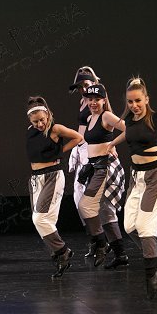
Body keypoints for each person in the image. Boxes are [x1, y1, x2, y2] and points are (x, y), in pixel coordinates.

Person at [108, 77, 157, 299]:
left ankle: (151, 273)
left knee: (145, 226)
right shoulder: (129, 121)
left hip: (155, 176)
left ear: (146, 99)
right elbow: (128, 133)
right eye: (130, 102)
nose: (134, 105)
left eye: (138, 101)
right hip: (137, 178)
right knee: (129, 226)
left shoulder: (156, 118)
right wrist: (112, 143)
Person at [25, 96, 84, 278]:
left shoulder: (55, 128)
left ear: (48, 115)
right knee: (44, 221)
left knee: (39, 219)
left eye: (42, 120)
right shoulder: (30, 131)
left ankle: (63, 251)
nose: (40, 124)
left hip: (52, 176)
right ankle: (59, 256)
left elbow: (78, 137)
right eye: (35, 121)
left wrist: (60, 151)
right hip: (36, 178)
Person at [76, 83, 127, 269]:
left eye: (97, 99)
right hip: (94, 168)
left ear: (104, 100)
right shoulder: (90, 118)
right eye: (90, 99)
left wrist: (112, 144)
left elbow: (128, 129)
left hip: (105, 168)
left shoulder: (106, 116)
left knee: (85, 205)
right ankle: (121, 254)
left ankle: (101, 244)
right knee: (105, 212)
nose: (93, 102)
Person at [67, 66, 99, 251]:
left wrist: (109, 145)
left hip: (92, 149)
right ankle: (94, 238)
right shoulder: (83, 100)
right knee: (78, 196)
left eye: (86, 85)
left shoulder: (97, 101)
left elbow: (106, 121)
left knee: (90, 198)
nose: (83, 89)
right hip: (81, 149)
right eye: (79, 86)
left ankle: (99, 240)